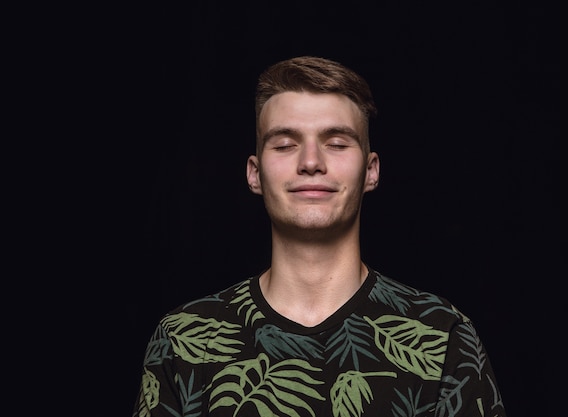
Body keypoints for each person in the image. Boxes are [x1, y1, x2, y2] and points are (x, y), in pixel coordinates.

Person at [132, 55, 507, 417]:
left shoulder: (442, 335)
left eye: (337, 142)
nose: (311, 162)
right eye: (284, 144)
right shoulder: (183, 338)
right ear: (255, 173)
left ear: (371, 171)